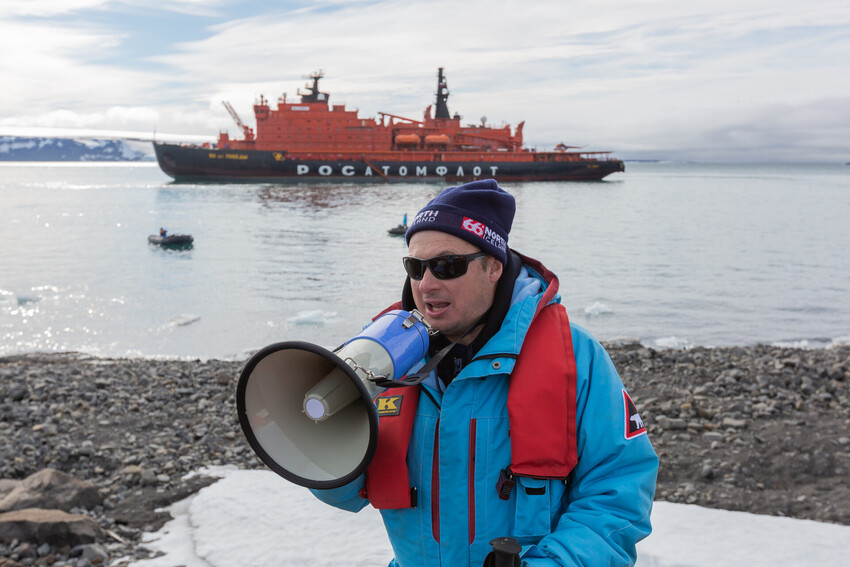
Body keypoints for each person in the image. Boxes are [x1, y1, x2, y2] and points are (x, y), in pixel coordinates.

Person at [311, 179, 658, 566]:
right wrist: (315, 437)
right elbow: (344, 492)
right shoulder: (380, 362)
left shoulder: (575, 356)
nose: (426, 284)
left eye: (446, 265)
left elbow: (618, 489)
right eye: (415, 266)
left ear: (494, 266)